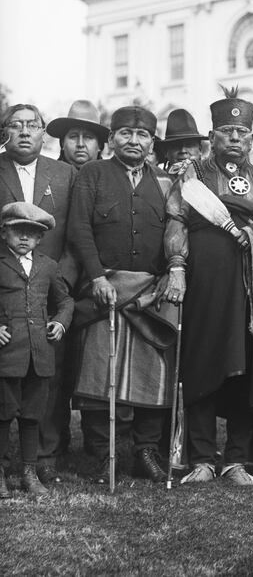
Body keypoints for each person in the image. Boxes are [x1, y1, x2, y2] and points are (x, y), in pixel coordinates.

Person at [165, 89, 253, 486]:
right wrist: (177, 267)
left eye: (241, 131)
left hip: (252, 287)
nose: (234, 138)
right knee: (202, 364)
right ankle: (202, 457)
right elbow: (175, 221)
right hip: (205, 284)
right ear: (212, 135)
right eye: (226, 131)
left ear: (252, 139)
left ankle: (236, 458)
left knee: (245, 369)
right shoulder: (193, 175)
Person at [68, 106, 177, 484]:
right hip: (105, 290)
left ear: (152, 142)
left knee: (153, 372)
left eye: (142, 135)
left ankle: (146, 451)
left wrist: (170, 274)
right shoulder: (91, 174)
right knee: (100, 372)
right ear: (111, 139)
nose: (134, 141)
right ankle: (104, 453)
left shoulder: (164, 183)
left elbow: (174, 234)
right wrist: (97, 278)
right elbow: (79, 228)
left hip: (150, 293)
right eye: (126, 134)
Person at [0, 104, 78, 485]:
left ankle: (44, 456)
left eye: (33, 125)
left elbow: (76, 231)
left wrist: (60, 279)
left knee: (47, 374)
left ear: (44, 132)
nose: (25, 132)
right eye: (16, 125)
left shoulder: (64, 173)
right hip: (5, 287)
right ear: (5, 133)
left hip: (50, 282)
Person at [0, 202, 73, 497]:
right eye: (18, 231)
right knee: (2, 413)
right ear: (5, 233)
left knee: (33, 415)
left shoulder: (48, 265)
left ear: (40, 238)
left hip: (39, 354)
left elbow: (66, 302)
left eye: (32, 233)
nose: (24, 238)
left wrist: (60, 323)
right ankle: (1, 472)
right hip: (6, 354)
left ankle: (29, 471)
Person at [47, 100, 108, 168]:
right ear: (62, 143)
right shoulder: (47, 176)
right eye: (73, 137)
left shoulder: (111, 177)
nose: (80, 144)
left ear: (100, 145)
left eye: (88, 137)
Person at [154, 109, 206, 173]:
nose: (183, 151)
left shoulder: (213, 179)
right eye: (176, 145)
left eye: (189, 145)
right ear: (166, 152)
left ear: (200, 149)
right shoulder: (159, 181)